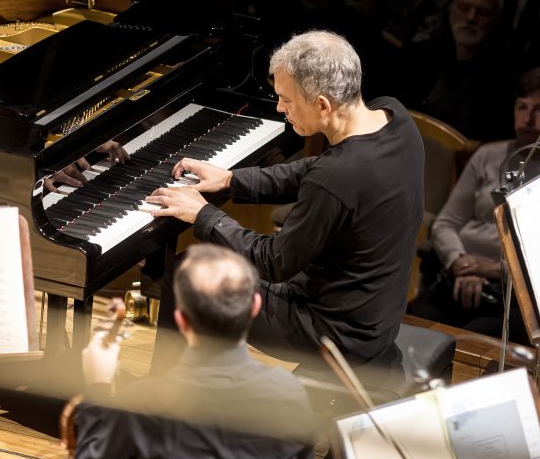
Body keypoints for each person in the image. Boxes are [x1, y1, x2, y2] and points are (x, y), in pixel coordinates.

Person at [146, 30, 424, 375]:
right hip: (372, 315)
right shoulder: (395, 119)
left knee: (188, 272)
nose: (280, 108)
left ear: (322, 104)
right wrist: (232, 180)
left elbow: (273, 262)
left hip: (332, 333)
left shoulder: (338, 175)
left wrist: (204, 214)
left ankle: (162, 404)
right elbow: (313, 170)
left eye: (287, 101)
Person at [72, 244, 314, 459]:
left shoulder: (144, 401)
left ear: (181, 320)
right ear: (255, 306)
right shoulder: (289, 394)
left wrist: (97, 388)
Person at [408, 67, 540, 336]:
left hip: (513, 294)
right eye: (521, 107)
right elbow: (446, 223)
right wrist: (461, 263)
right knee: (417, 320)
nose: (527, 119)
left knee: (480, 334)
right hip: (458, 275)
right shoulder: (488, 155)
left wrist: (493, 270)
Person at [395, 0, 516, 141]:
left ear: (496, 20)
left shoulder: (504, 81)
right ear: (451, 8)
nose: (471, 18)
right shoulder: (416, 56)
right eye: (464, 8)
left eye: (483, 12)